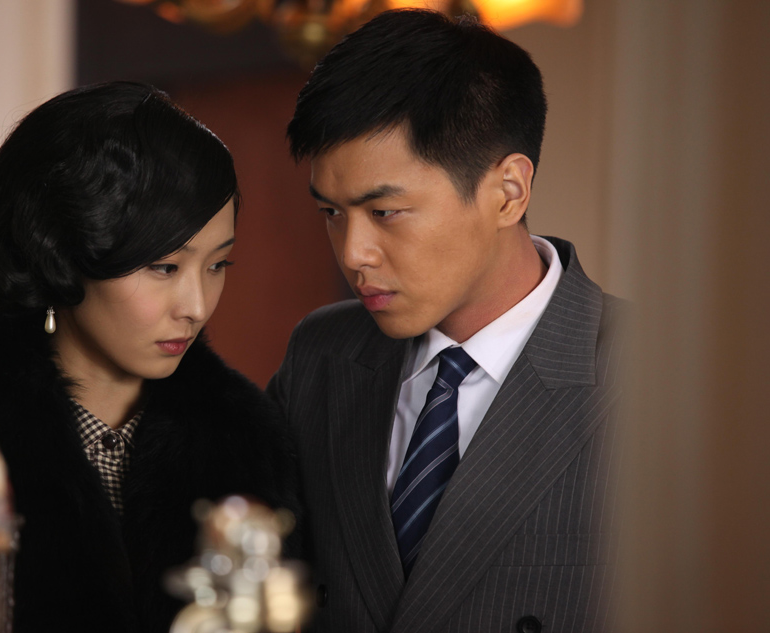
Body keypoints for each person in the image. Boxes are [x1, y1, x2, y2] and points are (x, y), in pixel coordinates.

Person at [269, 10, 627, 633]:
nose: (353, 254)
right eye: (332, 213)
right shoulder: (320, 355)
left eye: (385, 212)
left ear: (508, 192)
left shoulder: (655, 371)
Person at [0, 82, 298, 632]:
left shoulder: (250, 441)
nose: (196, 307)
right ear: (63, 252)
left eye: (218, 265)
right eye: (164, 267)